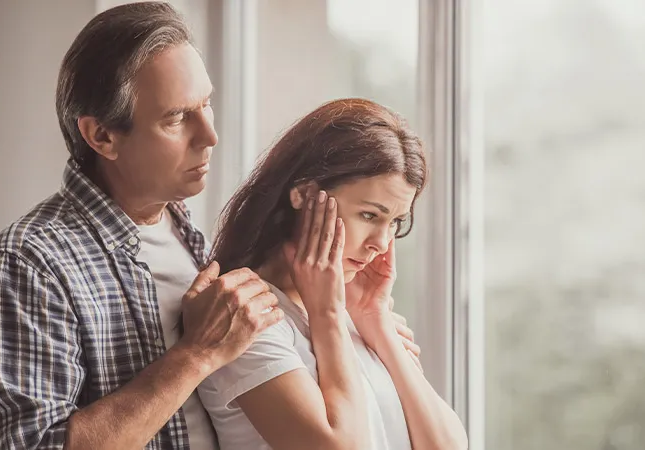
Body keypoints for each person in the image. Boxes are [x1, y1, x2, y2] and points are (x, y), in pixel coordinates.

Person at [0, 3, 419, 449]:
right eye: (177, 118)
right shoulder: (29, 262)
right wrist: (196, 354)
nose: (209, 135)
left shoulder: (196, 242)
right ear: (101, 136)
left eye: (207, 105)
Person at [195, 98, 470, 450]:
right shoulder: (245, 316)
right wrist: (327, 315)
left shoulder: (358, 315)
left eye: (395, 223)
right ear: (305, 194)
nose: (381, 245)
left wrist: (377, 322)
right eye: (370, 216)